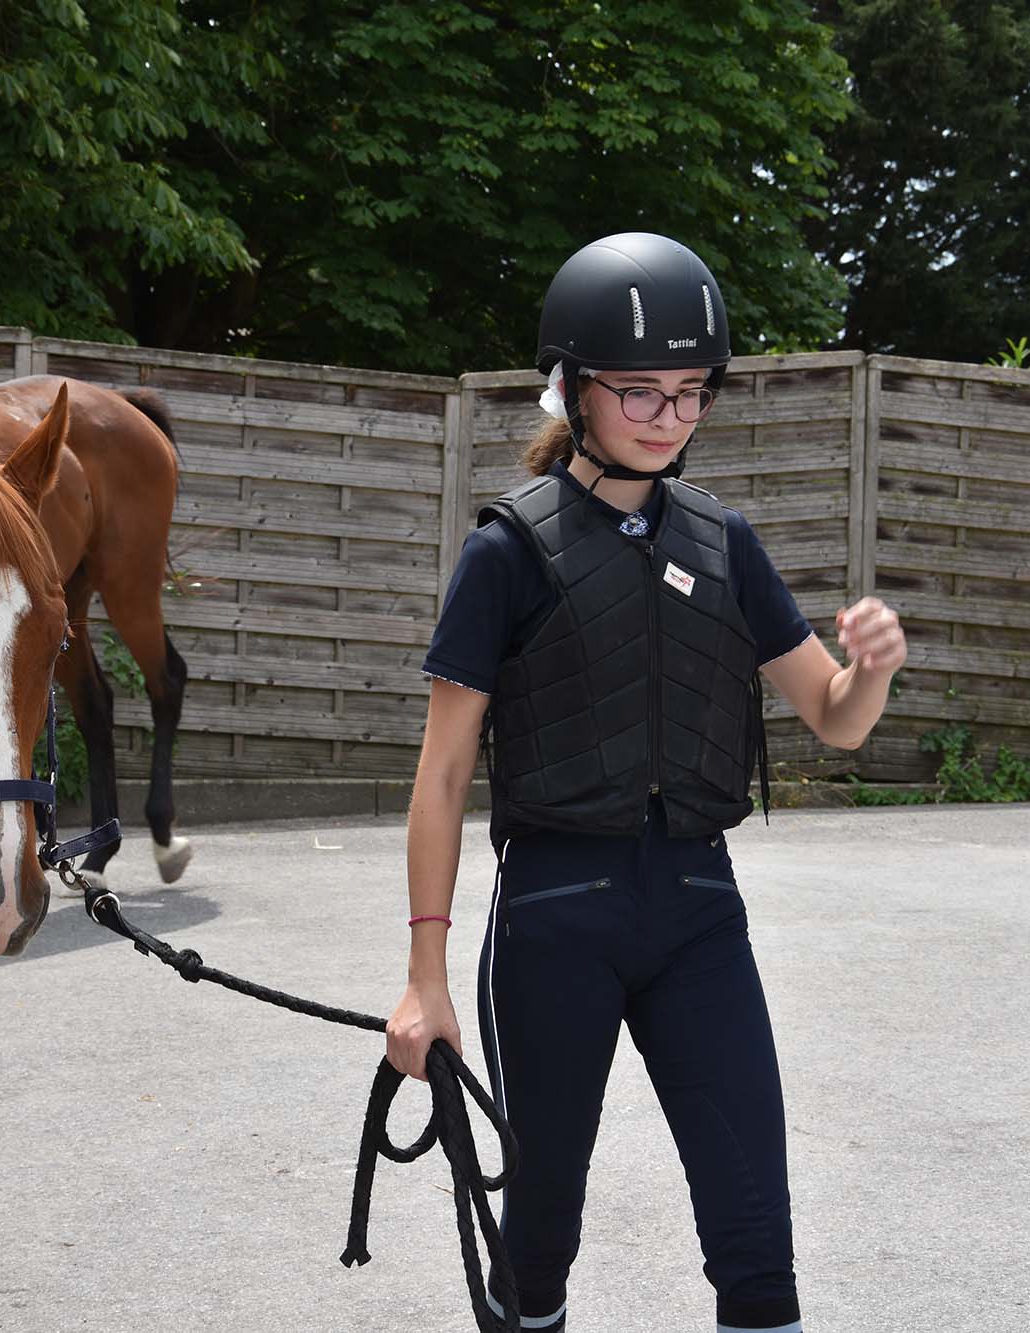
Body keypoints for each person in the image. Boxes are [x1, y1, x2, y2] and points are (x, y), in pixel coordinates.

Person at [385, 232, 908, 1333]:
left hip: (696, 914)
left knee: (757, 1249)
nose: (667, 418)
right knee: (538, 1244)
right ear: (572, 389)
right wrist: (424, 979)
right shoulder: (505, 553)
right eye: (639, 392)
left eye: (689, 393)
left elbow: (833, 718)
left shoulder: (725, 542)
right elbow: (438, 780)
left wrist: (869, 671)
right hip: (552, 918)